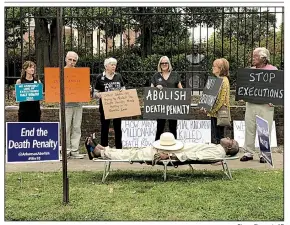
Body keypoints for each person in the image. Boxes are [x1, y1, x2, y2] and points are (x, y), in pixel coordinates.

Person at [85, 132, 239, 164]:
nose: (228, 137)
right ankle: (104, 149)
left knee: (134, 154)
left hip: (171, 153)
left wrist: (171, 157)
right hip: (172, 149)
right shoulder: (217, 148)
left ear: (230, 146)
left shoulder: (217, 152)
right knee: (134, 151)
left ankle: (101, 152)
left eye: (230, 139)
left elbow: (196, 156)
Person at [240, 47, 277, 163]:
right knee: (249, 128)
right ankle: (248, 152)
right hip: (251, 104)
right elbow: (246, 87)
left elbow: (277, 88)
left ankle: (264, 154)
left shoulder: (273, 70)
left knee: (264, 129)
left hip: (265, 105)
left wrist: (274, 99)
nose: (253, 58)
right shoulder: (250, 71)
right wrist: (243, 95)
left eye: (255, 56)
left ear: (263, 58)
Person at [94, 57, 125, 149]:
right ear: (106, 66)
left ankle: (119, 147)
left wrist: (122, 93)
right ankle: (104, 147)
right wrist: (100, 95)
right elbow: (95, 93)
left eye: (115, 65)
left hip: (117, 106)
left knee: (118, 127)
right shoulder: (100, 77)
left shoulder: (118, 76)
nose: (114, 67)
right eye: (112, 65)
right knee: (104, 127)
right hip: (105, 107)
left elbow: (123, 89)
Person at [151, 56, 183, 141]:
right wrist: (156, 87)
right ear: (160, 64)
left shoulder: (175, 75)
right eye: (162, 63)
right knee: (160, 127)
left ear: (169, 64)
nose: (164, 64)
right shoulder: (156, 76)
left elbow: (181, 89)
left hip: (173, 105)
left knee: (173, 128)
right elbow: (150, 91)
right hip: (160, 106)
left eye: (166, 63)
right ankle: (157, 148)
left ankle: (174, 148)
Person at [61, 51, 84, 159]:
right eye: (70, 59)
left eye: (74, 60)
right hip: (65, 105)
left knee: (76, 128)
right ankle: (66, 150)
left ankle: (75, 150)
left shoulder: (80, 73)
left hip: (78, 104)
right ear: (66, 59)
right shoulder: (60, 72)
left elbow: (84, 87)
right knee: (65, 128)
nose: (72, 62)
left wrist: (87, 88)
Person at [202, 58, 231, 144]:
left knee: (218, 136)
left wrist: (210, 109)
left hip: (218, 113)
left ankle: (219, 152)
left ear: (220, 68)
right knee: (216, 135)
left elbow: (220, 100)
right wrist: (205, 105)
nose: (212, 68)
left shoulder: (223, 81)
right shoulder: (217, 79)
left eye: (214, 66)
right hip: (214, 113)